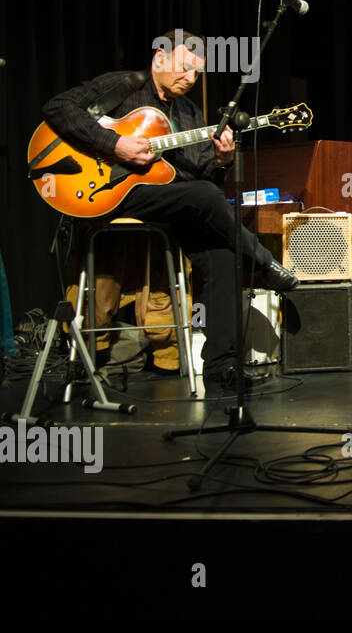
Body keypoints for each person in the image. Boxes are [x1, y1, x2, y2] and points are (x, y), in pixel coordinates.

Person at [41, 30, 300, 394]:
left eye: (197, 73)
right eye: (184, 68)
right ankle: (261, 262)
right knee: (207, 197)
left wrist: (222, 161)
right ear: (160, 58)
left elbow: (196, 176)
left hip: (171, 203)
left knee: (224, 251)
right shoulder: (125, 86)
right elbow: (57, 108)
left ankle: (221, 368)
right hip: (110, 193)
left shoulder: (190, 113)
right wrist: (114, 143)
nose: (190, 79)